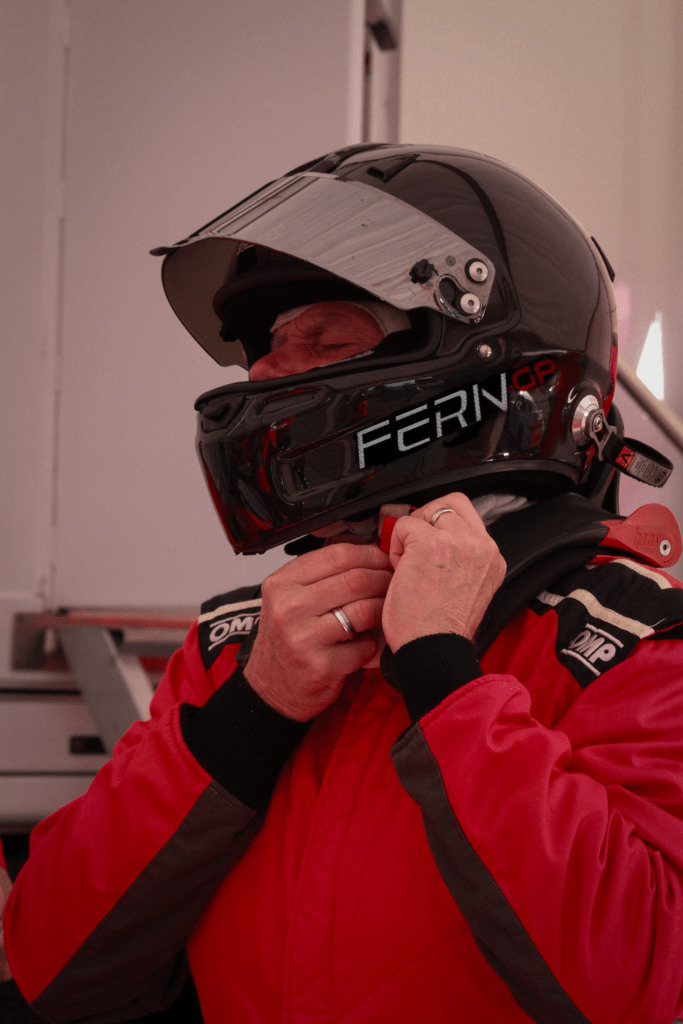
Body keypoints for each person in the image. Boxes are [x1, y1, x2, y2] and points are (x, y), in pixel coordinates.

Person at [5, 145, 683, 1024]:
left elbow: (642, 982)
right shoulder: (239, 646)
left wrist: (445, 677)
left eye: (325, 340)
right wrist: (250, 715)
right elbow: (50, 966)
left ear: (475, 374)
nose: (264, 375)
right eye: (267, 348)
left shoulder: (632, 643)